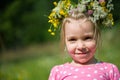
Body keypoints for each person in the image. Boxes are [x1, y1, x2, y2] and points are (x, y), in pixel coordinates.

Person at [48, 0, 120, 80]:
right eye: (72, 39)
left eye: (87, 38)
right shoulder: (58, 72)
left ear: (97, 37)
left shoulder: (110, 70)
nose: (80, 46)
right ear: (65, 41)